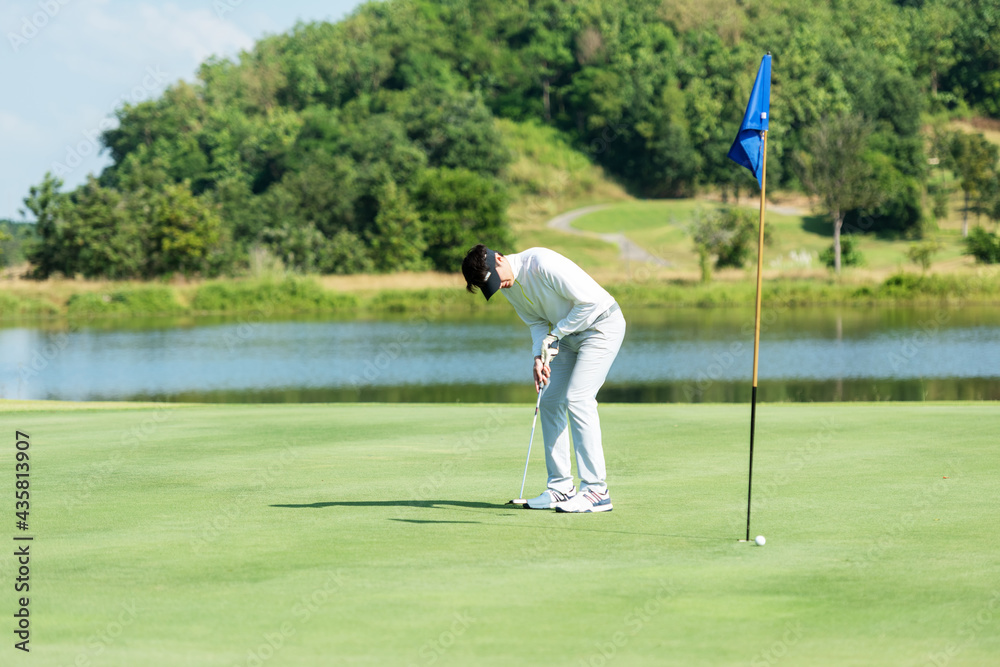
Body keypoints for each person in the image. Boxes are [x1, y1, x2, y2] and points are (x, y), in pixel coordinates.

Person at [461, 244, 626, 513]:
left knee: (578, 398)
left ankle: (597, 490)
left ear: (498, 258)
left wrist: (555, 335)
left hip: (601, 326)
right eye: (492, 287)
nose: (500, 287)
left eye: (496, 280)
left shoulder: (541, 263)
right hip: (567, 337)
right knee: (549, 401)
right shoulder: (508, 285)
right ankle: (561, 488)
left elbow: (589, 303)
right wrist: (539, 356)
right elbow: (537, 322)